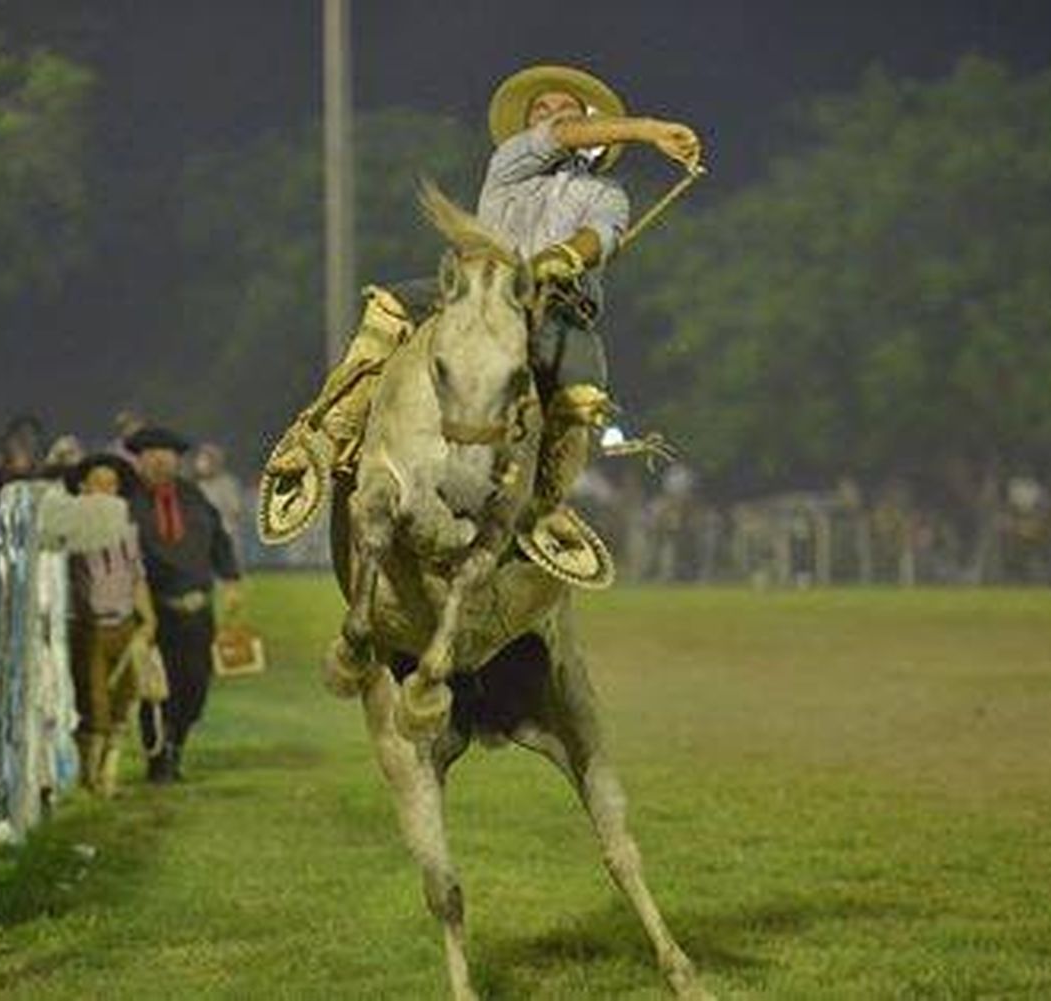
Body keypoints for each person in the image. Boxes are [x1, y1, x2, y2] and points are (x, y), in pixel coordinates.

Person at [264, 64, 701, 555]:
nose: (553, 117)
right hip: (477, 292)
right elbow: (560, 137)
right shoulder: (510, 161)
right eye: (542, 109)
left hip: (554, 306)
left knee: (582, 397)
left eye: (567, 110)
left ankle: (547, 505)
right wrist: (647, 130)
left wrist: (561, 258)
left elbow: (601, 235)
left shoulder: (607, 194)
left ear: (591, 129)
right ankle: (327, 435)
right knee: (388, 307)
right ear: (529, 126)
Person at [124, 426, 242, 783]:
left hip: (197, 610)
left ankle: (176, 743)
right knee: (156, 688)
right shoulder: (128, 502)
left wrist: (232, 578)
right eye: (152, 454)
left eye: (168, 454)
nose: (161, 461)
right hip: (153, 610)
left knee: (195, 686)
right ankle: (159, 757)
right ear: (140, 460)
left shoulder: (194, 497)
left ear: (177, 459)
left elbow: (219, 538)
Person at [62, 454, 157, 796]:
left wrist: (149, 619)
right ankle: (90, 779)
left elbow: (137, 576)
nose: (104, 491)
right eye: (97, 484)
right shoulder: (71, 532)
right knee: (94, 704)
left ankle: (108, 778)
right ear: (83, 488)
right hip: (90, 628)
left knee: (122, 705)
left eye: (111, 485)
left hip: (125, 625)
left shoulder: (126, 530)